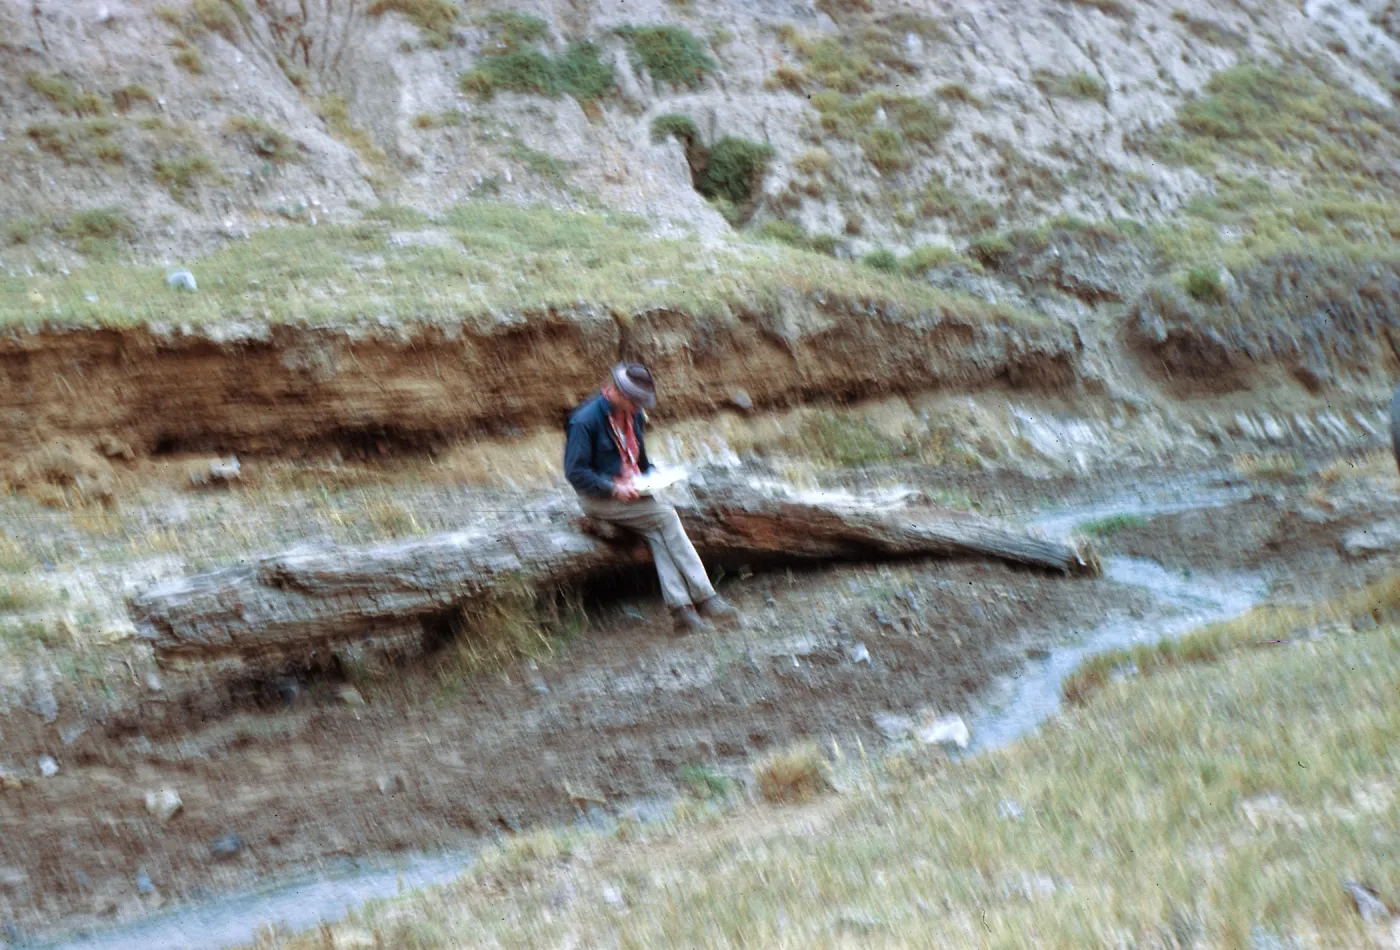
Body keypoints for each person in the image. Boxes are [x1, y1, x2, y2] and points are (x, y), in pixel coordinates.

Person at [564, 362, 741, 634]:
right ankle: (706, 597)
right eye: (635, 402)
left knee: (658, 532)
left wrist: (657, 475)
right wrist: (614, 489)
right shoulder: (584, 421)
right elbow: (575, 473)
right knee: (666, 517)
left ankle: (682, 612)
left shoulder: (632, 415)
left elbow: (643, 463)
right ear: (618, 393)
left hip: (633, 494)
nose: (639, 409)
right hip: (597, 497)